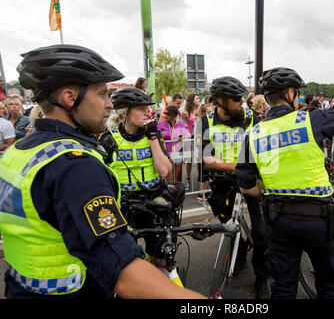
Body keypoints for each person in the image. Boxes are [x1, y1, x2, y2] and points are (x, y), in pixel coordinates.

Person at [0, 44, 205, 299]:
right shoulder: (74, 165)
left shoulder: (20, 151)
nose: (110, 105)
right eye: (102, 94)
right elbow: (123, 270)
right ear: (69, 97)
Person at [236, 67, 334, 299]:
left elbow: (245, 185)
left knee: (283, 286)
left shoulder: (253, 133)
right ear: (291, 93)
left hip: (279, 220)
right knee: (330, 283)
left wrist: (273, 191)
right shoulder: (309, 120)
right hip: (318, 220)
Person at [199, 76, 271, 299]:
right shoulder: (206, 122)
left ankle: (262, 276)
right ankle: (239, 256)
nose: (242, 102)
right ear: (221, 101)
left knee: (261, 233)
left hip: (250, 181)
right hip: (223, 183)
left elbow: (260, 154)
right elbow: (207, 160)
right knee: (229, 227)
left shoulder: (252, 121)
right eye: (236, 99)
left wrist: (241, 168)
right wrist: (238, 166)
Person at [100, 87, 183, 271]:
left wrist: (153, 137)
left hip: (152, 201)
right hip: (123, 205)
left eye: (148, 108)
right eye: (141, 109)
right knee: (125, 264)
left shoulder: (153, 134)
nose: (148, 112)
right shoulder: (108, 139)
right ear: (124, 112)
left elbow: (163, 171)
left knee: (161, 260)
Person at [158, 105, 189, 182]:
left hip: (178, 152)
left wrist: (182, 137)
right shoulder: (161, 124)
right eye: (165, 113)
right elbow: (156, 138)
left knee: (176, 176)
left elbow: (186, 136)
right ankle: (170, 190)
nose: (165, 116)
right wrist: (161, 136)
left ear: (174, 116)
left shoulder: (180, 123)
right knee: (169, 174)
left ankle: (175, 191)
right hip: (167, 153)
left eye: (168, 114)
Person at [182, 93, 201, 190]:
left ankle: (200, 180)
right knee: (188, 161)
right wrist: (187, 132)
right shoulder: (186, 112)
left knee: (198, 160)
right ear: (192, 100)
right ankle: (188, 181)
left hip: (198, 138)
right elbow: (184, 125)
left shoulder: (200, 111)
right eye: (197, 98)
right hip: (189, 138)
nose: (199, 99)